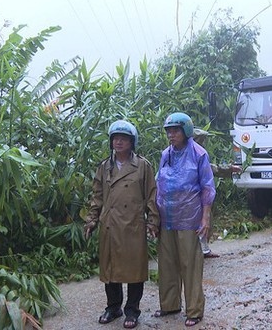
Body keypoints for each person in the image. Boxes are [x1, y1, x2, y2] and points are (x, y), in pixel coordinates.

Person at [84, 120, 159, 329]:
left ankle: (132, 310)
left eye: (123, 138)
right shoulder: (104, 166)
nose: (118, 142)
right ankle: (113, 307)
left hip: (133, 225)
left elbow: (151, 196)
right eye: (115, 138)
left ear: (131, 142)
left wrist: (153, 221)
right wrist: (91, 220)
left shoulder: (142, 166)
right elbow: (97, 197)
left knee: (135, 270)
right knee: (111, 269)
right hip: (110, 225)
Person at [154, 112, 216, 327]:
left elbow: (207, 186)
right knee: (168, 263)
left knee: (190, 264)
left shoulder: (199, 154)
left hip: (190, 217)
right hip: (167, 217)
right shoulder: (165, 154)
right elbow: (158, 184)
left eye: (176, 130)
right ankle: (169, 304)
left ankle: (194, 310)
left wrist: (205, 218)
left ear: (186, 131)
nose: (171, 135)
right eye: (169, 131)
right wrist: (154, 217)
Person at [192, 128, 242, 258]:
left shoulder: (199, 155)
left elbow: (212, 168)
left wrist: (230, 169)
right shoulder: (183, 154)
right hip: (190, 196)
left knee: (206, 221)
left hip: (201, 195)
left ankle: (204, 250)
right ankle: (196, 252)